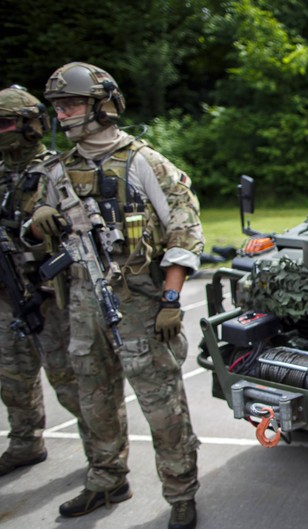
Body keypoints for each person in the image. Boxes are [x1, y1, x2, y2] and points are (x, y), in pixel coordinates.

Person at [31, 62, 204, 529]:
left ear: (104, 105)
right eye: (58, 106)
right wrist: (40, 218)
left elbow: (185, 232)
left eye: (73, 103)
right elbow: (35, 240)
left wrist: (171, 300)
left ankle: (181, 493)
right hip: (82, 303)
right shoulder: (55, 170)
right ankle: (107, 477)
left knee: (161, 403)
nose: (63, 113)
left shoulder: (143, 161)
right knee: (93, 396)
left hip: (140, 300)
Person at [0, 85, 94, 477]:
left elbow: (84, 229)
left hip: (49, 293)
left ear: (30, 126)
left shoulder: (58, 170)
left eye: (4, 124)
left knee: (69, 380)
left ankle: (103, 457)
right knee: (12, 374)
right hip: (7, 293)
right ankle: (25, 442)